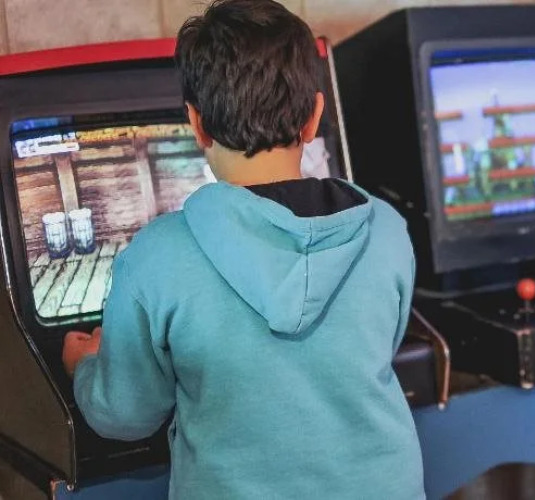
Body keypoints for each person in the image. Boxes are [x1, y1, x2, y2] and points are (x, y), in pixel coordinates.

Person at [61, 1, 425, 498]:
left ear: (196, 124)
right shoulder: (386, 230)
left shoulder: (156, 256)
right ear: (314, 117)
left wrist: (85, 367)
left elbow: (126, 415)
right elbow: (380, 344)